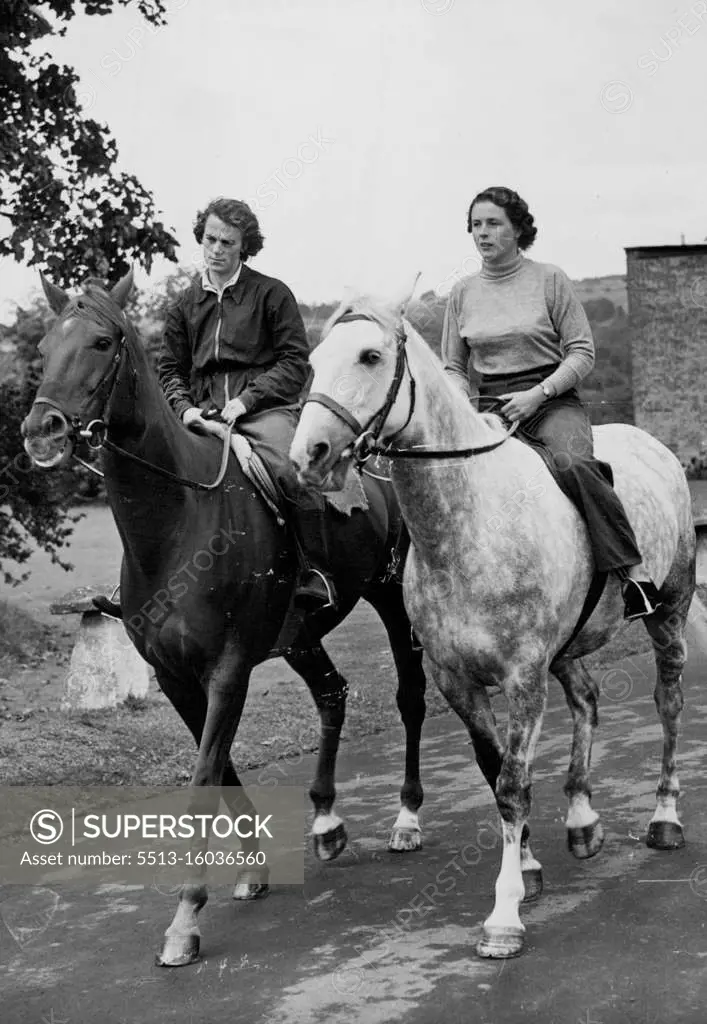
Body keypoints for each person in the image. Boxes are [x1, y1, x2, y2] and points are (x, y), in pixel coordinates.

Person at [95, 197, 337, 618]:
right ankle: (138, 585)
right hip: (201, 416)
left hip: (265, 413)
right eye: (210, 239)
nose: (217, 249)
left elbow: (296, 362)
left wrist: (248, 400)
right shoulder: (185, 305)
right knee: (150, 474)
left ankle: (311, 572)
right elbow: (170, 368)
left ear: (245, 246)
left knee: (289, 469)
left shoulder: (271, 294)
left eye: (228, 241)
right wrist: (185, 409)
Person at [441, 185, 661, 621]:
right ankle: (434, 599)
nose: (482, 234)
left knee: (572, 464)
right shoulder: (462, 292)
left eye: (493, 224)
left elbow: (582, 353)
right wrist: (465, 408)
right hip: (487, 405)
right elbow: (452, 365)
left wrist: (536, 394)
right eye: (475, 225)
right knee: (442, 476)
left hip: (550, 398)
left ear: (519, 229)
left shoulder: (549, 279)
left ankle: (633, 575)